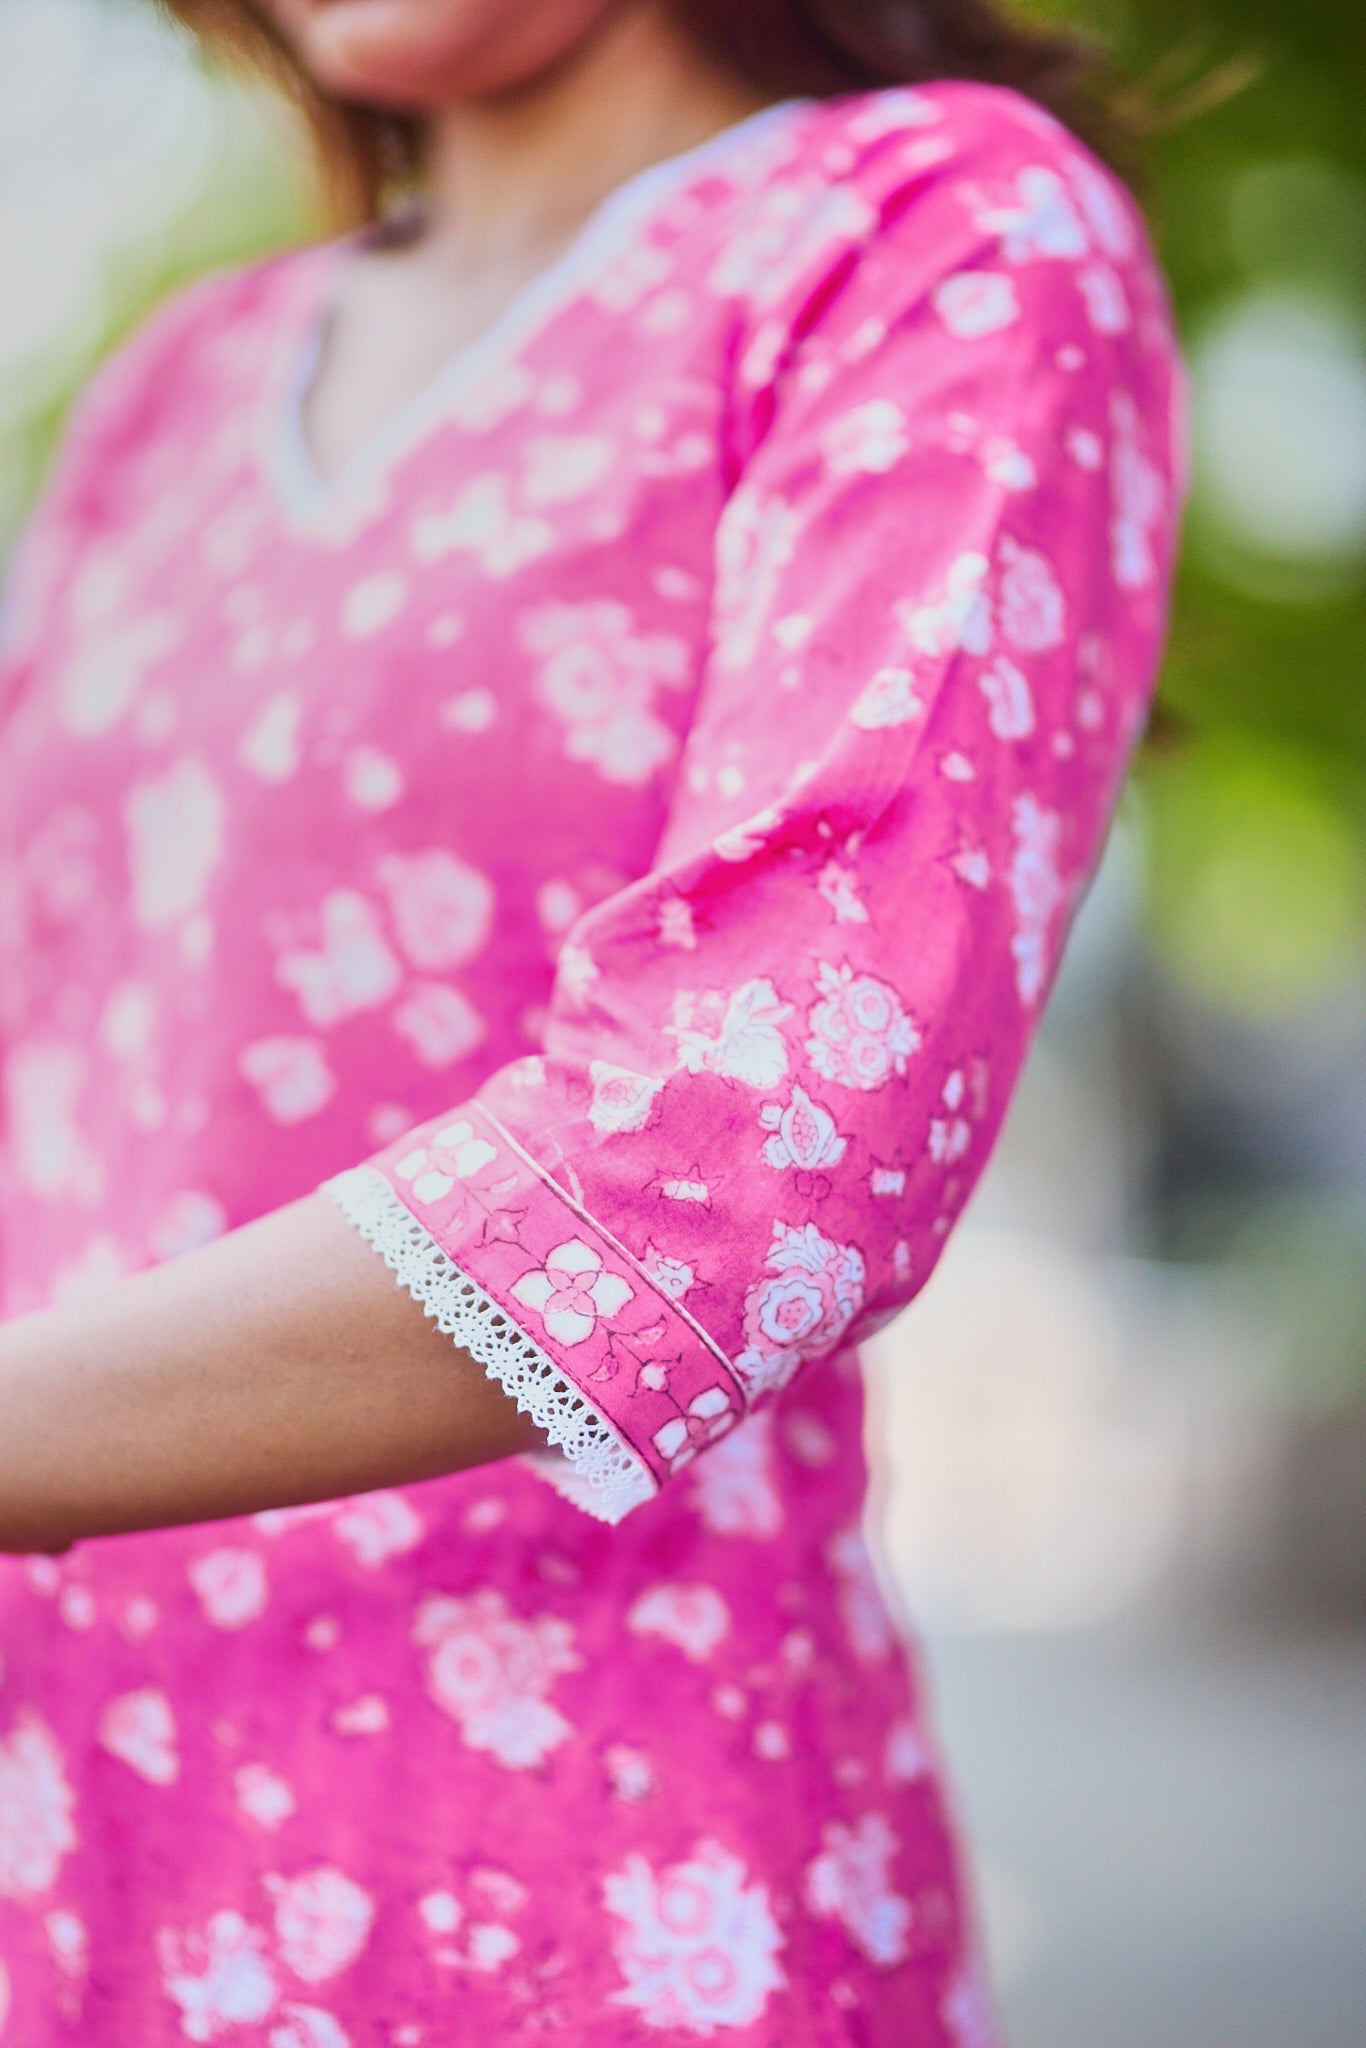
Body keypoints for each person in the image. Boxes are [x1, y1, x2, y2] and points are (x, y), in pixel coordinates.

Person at [0, 0, 1180, 2038]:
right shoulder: (172, 384)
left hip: (559, 1891)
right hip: (65, 1855)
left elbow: (735, 1161)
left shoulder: (926, 230)